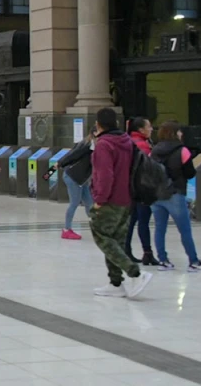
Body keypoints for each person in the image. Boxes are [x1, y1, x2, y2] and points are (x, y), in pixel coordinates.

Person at [89, 108, 153, 299]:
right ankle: (115, 283)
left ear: (99, 124)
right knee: (116, 240)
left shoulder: (104, 144)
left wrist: (100, 200)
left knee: (101, 235)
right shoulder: (127, 141)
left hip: (110, 199)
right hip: (127, 198)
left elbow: (105, 174)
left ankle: (135, 273)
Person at [150, 121, 201, 272]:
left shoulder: (154, 150)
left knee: (159, 228)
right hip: (175, 193)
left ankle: (163, 260)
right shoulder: (182, 150)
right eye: (179, 131)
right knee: (184, 229)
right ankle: (193, 261)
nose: (181, 134)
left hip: (156, 194)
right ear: (174, 133)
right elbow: (190, 173)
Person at [126, 117, 155, 265]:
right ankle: (147, 252)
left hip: (130, 188)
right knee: (143, 220)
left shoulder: (129, 141)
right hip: (142, 188)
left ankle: (126, 249)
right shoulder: (142, 146)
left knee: (133, 220)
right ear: (140, 130)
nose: (151, 129)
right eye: (148, 126)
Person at [58, 133, 95, 240]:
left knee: (89, 203)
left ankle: (97, 227)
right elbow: (73, 154)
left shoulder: (91, 146)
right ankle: (66, 229)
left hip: (81, 179)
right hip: (73, 177)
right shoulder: (87, 146)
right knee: (74, 202)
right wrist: (61, 163)